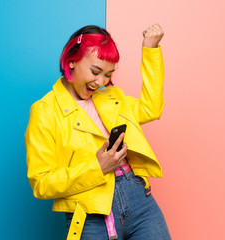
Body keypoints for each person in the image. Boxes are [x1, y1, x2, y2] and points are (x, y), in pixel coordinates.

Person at [25, 24, 171, 240]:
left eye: (108, 74)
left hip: (140, 201)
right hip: (90, 214)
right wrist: (98, 167)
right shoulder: (45, 111)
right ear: (71, 61)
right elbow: (41, 183)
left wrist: (150, 50)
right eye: (95, 71)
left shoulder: (112, 97)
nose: (100, 82)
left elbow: (151, 108)